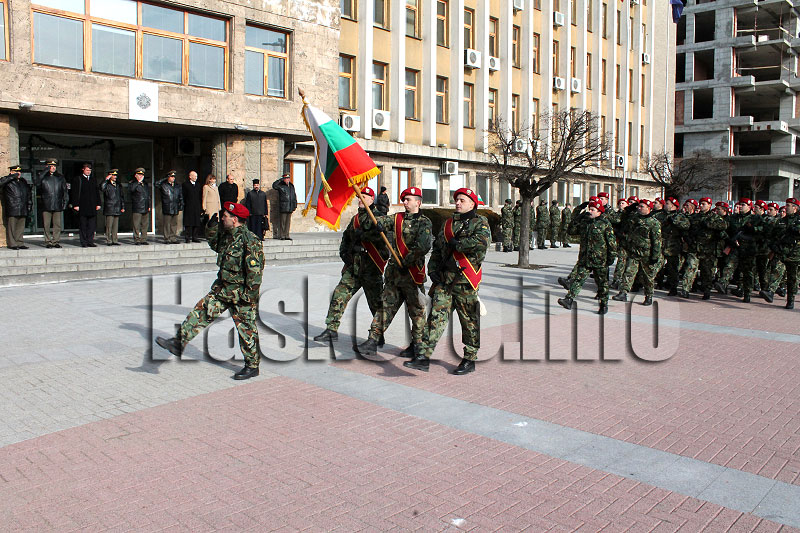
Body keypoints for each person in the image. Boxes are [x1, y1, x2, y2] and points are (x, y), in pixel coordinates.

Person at [156, 202, 265, 380]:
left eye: (225, 216)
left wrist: (248, 297)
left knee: (247, 330)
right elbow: (216, 245)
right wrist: (211, 227)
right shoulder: (227, 236)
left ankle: (252, 366)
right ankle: (178, 342)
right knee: (200, 312)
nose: (223, 218)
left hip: (240, 294)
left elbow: (255, 272)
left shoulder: (250, 240)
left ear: (235, 219)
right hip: (222, 289)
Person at [404, 187, 491, 375]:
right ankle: (423, 357)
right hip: (445, 280)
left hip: (465, 280)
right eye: (457, 200)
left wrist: (459, 244)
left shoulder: (480, 222)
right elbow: (437, 250)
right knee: (435, 318)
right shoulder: (448, 224)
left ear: (472, 203)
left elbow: (481, 244)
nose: (458, 203)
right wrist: (433, 269)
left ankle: (470, 358)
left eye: (462, 200)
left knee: (468, 321)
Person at [355, 186, 433, 357]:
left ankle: (417, 346)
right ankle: (372, 340)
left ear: (418, 202)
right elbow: (379, 222)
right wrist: (374, 221)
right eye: (404, 199)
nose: (404, 202)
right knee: (385, 308)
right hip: (394, 275)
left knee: (417, 313)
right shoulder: (397, 218)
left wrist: (407, 260)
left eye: (408, 200)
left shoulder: (424, 222)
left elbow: (423, 246)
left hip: (412, 274)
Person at [313, 187, 386, 343]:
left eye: (364, 197)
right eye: (359, 197)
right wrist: (345, 255)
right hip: (354, 267)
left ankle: (377, 335)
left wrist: (366, 235)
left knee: (376, 304)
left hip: (371, 268)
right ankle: (331, 329)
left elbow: (385, 242)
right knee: (339, 295)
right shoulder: (355, 219)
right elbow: (346, 238)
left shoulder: (379, 218)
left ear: (371, 200)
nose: (360, 199)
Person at [557, 200, 617, 314]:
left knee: (602, 284)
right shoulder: (585, 223)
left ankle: (604, 304)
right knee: (578, 279)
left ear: (599, 212)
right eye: (589, 209)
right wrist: (578, 218)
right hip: (585, 258)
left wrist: (611, 258)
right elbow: (571, 231)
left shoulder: (605, 224)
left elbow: (612, 243)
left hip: (600, 260)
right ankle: (569, 300)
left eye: (593, 210)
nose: (590, 211)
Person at [612, 199, 662, 305]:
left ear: (649, 208)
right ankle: (623, 293)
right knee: (629, 272)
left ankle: (649, 296)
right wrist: (627, 210)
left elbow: (657, 241)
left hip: (647, 254)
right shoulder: (634, 219)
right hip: (634, 252)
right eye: (638, 206)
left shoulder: (654, 223)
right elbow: (623, 220)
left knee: (648, 277)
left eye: (642, 207)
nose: (639, 208)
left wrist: (655, 256)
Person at [679, 197, 728, 300]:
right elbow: (686, 227)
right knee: (690, 268)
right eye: (700, 204)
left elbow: (723, 225)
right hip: (694, 248)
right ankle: (685, 290)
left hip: (708, 249)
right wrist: (687, 238)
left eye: (704, 204)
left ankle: (707, 291)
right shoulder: (694, 217)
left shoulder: (714, 217)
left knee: (707, 271)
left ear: (710, 205)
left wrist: (708, 224)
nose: (701, 206)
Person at [35, 159, 68, 248]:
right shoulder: (43, 176)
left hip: (57, 203)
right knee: (46, 224)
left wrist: (65, 202)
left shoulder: (60, 177)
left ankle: (55, 241)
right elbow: (37, 183)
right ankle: (48, 241)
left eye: (54, 166)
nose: (53, 168)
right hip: (47, 203)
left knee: (57, 224)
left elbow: (64, 190)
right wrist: (44, 172)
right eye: (51, 166)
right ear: (47, 166)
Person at [660, 197, 690, 295]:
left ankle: (673, 288)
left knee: (673, 268)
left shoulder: (679, 216)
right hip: (661, 244)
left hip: (673, 245)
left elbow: (686, 226)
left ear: (673, 205)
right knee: (655, 265)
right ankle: (657, 284)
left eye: (667, 203)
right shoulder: (660, 214)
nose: (665, 205)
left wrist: (675, 222)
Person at [68, 163, 101, 248]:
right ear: (83, 170)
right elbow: (74, 193)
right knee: (83, 225)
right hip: (82, 206)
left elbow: (97, 192)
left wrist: (98, 203)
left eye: (90, 170)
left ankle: (90, 241)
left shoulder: (93, 180)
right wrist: (75, 204)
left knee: (91, 225)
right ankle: (83, 242)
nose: (89, 172)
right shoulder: (78, 179)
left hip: (92, 206)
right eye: (87, 170)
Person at [0, 165, 32, 250]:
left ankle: (20, 242)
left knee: (20, 227)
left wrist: (29, 205)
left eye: (19, 172)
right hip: (12, 207)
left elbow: (28, 194)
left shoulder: (23, 182)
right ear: (11, 172)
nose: (18, 173)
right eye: (16, 172)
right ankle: (12, 243)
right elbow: (1, 182)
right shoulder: (7, 181)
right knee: (12, 227)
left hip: (22, 207)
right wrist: (11, 177)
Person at [156, 170, 184, 244]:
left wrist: (181, 205)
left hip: (175, 207)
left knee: (174, 223)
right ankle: (167, 238)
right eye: (171, 176)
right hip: (167, 206)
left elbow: (180, 196)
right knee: (167, 223)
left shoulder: (177, 186)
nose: (173, 178)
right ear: (168, 177)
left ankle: (173, 237)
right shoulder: (164, 185)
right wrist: (164, 179)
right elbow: (156, 184)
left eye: (174, 177)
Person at [100, 169, 125, 246]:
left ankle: (115, 240)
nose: (115, 177)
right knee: (109, 225)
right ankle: (108, 240)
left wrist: (122, 206)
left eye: (115, 175)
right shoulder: (106, 184)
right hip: (110, 207)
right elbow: (101, 188)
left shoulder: (118, 185)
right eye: (113, 175)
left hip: (117, 206)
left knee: (115, 226)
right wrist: (106, 179)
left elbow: (121, 196)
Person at [129, 168, 151, 245]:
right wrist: (138, 182)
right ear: (136, 175)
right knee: (136, 224)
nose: (141, 176)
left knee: (145, 224)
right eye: (139, 175)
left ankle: (143, 239)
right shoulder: (133, 183)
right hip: (137, 206)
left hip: (145, 206)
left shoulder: (145, 184)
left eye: (142, 175)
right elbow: (131, 190)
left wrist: (149, 205)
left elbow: (148, 195)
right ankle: (137, 239)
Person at [272, 173, 298, 240]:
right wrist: (280, 180)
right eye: (286, 179)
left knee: (288, 222)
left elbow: (294, 196)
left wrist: (295, 204)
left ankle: (287, 235)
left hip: (290, 206)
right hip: (283, 206)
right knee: (282, 222)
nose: (287, 180)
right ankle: (282, 235)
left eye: (288, 178)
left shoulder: (291, 186)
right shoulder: (281, 186)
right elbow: (274, 186)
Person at [182, 170, 203, 243]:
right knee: (188, 222)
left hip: (196, 206)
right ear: (190, 177)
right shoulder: (185, 184)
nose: (196, 178)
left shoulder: (198, 185)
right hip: (188, 206)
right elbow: (184, 195)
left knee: (196, 222)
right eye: (194, 176)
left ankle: (195, 237)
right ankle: (187, 237)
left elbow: (200, 196)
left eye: (196, 176)